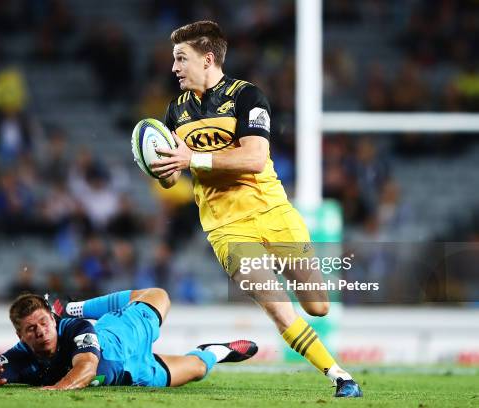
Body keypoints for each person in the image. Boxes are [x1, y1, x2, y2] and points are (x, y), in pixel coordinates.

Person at [148, 21, 362, 397]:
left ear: (208, 59)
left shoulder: (247, 96)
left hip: (273, 212)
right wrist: (161, 167)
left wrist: (192, 157)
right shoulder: (176, 111)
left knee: (318, 306)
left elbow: (254, 158)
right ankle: (340, 376)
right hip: (226, 226)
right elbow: (174, 175)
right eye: (174, 59)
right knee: (277, 306)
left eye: (181, 58)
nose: (174, 68)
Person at [0, 288, 257, 389]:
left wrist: (56, 389)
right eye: (30, 329)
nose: (40, 331)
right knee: (197, 370)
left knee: (157, 295)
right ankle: (216, 350)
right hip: (133, 374)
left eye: (44, 322)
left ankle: (75, 304)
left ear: (54, 319)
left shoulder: (74, 328)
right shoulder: (18, 355)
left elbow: (87, 368)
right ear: (20, 336)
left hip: (122, 335)